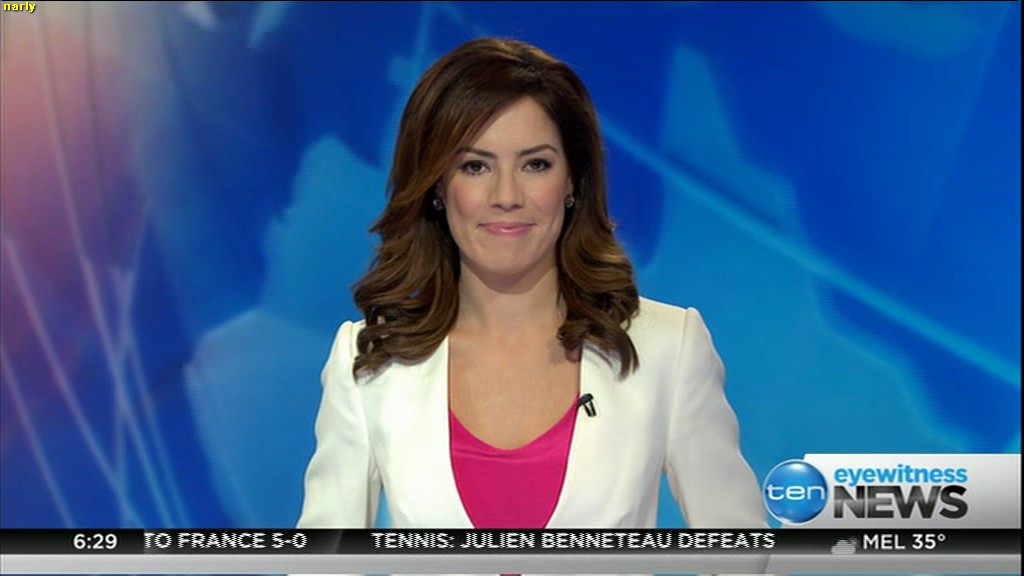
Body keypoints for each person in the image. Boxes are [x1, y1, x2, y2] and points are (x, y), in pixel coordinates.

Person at [297, 37, 765, 536]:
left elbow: (743, 553)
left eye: (535, 164)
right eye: (475, 166)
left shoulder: (667, 347)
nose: (506, 196)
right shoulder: (369, 361)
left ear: (572, 179)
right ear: (437, 185)